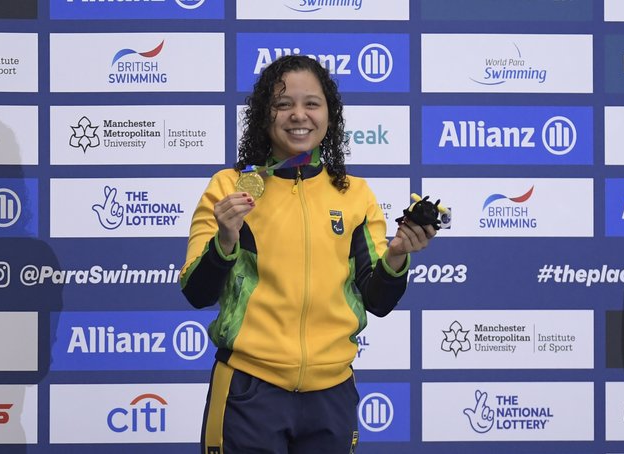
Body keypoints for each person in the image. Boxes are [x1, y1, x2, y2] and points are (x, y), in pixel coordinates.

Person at [180, 55, 436, 454]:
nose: (299, 115)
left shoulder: (355, 194)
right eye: (283, 104)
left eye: (312, 103)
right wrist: (225, 239)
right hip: (249, 391)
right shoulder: (229, 188)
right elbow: (197, 293)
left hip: (331, 396)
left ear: (329, 114)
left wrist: (399, 257)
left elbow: (378, 301)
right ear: (264, 115)